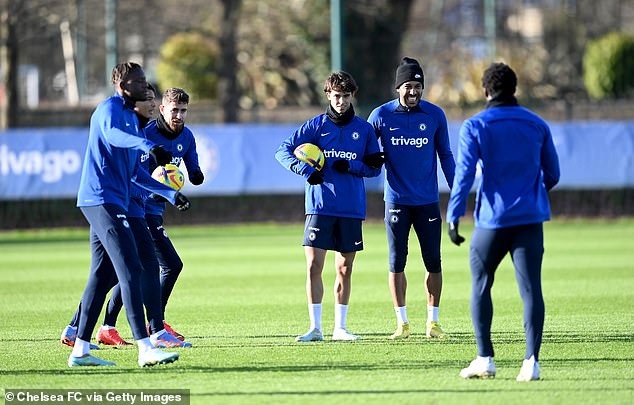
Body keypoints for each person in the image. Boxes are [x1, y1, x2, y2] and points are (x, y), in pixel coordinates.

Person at [69, 62, 191, 367]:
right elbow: (112, 136)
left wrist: (170, 194)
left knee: (102, 275)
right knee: (132, 268)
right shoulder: (110, 110)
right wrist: (148, 144)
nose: (143, 84)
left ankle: (80, 349)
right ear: (122, 84)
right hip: (101, 199)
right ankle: (146, 346)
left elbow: (135, 172)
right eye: (138, 81)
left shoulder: (131, 118)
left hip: (113, 201)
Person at [446, 62, 560, 381]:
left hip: (492, 221)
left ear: (485, 91)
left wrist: (454, 215)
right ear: (514, 89)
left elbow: (465, 176)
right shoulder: (537, 124)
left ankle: (485, 359)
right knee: (531, 289)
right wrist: (532, 192)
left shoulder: (475, 126)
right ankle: (531, 363)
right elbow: (553, 174)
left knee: (481, 284)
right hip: (529, 219)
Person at [275, 71, 382, 342]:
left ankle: (341, 328)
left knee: (344, 268)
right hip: (320, 206)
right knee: (313, 266)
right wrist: (304, 170)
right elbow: (282, 151)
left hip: (350, 208)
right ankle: (315, 328)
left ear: (352, 96)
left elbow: (373, 168)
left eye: (346, 96)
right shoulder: (315, 126)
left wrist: (353, 166)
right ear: (328, 95)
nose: (341, 101)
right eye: (337, 96)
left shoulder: (364, 129)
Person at [367, 57, 455, 340]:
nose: (413, 92)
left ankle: (433, 323)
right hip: (396, 201)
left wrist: (458, 190)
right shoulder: (380, 116)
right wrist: (368, 164)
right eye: (408, 86)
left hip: (427, 201)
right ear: (398, 88)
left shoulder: (434, 115)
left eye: (418, 86)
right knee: (397, 261)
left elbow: (446, 155)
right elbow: (366, 152)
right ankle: (402, 323)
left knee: (434, 261)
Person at [144, 87, 205, 340]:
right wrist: (159, 189)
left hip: (156, 211)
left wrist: (196, 175)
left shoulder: (187, 136)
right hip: (140, 209)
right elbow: (135, 175)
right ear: (162, 108)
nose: (178, 115)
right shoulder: (147, 134)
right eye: (174, 110)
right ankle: (156, 323)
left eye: (183, 111)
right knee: (171, 265)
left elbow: (193, 167)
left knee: (132, 270)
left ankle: (108, 326)